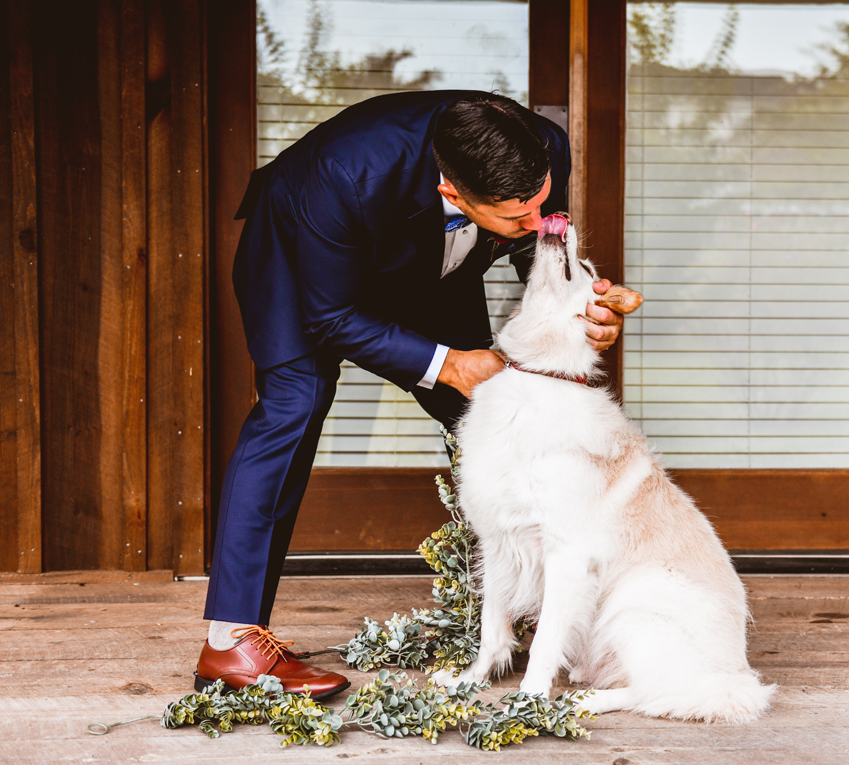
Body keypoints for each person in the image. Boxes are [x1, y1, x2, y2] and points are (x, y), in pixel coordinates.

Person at [194, 90, 626, 697]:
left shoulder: (538, 147)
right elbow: (332, 318)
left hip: (434, 261)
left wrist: (585, 305)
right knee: (295, 406)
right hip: (302, 259)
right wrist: (447, 363)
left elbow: (536, 240)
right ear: (452, 191)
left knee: (494, 408)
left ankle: (558, 598)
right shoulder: (345, 171)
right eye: (514, 216)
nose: (533, 221)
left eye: (539, 205)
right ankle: (230, 643)